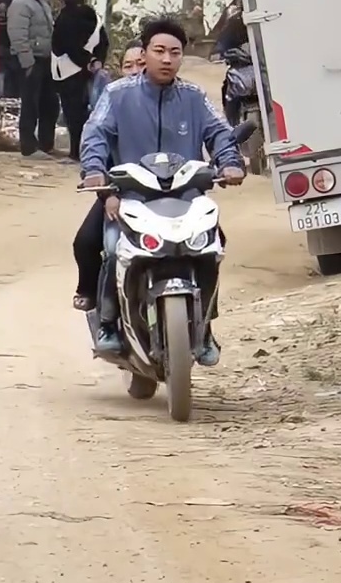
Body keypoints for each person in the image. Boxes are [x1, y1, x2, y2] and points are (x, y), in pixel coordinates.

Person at [74, 19, 245, 364]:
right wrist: (95, 171)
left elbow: (220, 133)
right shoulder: (117, 94)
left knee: (213, 246)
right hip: (130, 195)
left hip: (185, 196)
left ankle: (206, 327)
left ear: (182, 57)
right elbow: (95, 134)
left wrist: (230, 161)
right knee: (106, 245)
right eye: (159, 51)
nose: (167, 59)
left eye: (174, 53)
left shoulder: (195, 97)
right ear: (146, 53)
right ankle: (107, 323)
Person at [5, 0, 59, 159]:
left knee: (49, 103)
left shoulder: (40, 2)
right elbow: (17, 34)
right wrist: (26, 61)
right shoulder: (21, 3)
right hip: (31, 60)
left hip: (46, 59)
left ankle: (46, 143)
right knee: (30, 104)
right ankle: (28, 146)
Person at [51, 0, 107, 162]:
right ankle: (87, 151)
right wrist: (96, 60)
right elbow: (103, 41)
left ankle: (75, 152)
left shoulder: (65, 18)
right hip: (89, 71)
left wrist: (84, 60)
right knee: (87, 112)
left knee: (72, 113)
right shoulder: (94, 18)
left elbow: (64, 44)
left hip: (67, 70)